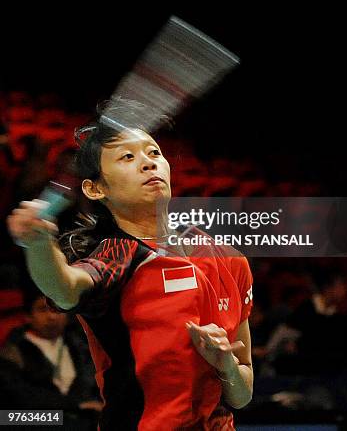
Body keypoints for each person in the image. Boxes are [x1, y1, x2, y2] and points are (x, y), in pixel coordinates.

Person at [7, 99, 254, 430]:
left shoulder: (227, 259)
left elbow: (242, 395)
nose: (149, 164)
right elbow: (64, 289)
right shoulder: (118, 256)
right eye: (128, 157)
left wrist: (225, 364)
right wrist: (38, 243)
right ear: (96, 189)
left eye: (154, 153)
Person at [0, 288, 102, 429]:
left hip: (85, 419)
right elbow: (13, 408)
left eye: (57, 310)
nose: (52, 317)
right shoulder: (12, 352)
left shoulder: (81, 346)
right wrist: (73, 406)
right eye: (43, 310)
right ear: (28, 317)